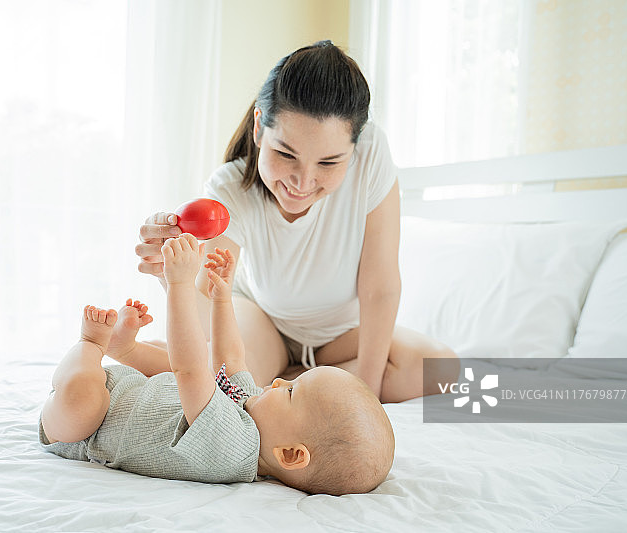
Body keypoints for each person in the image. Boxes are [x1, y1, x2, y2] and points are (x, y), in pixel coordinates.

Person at [135, 40, 458, 402]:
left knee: (443, 371)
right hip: (261, 321)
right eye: (286, 154)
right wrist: (171, 279)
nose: (302, 183)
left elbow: (380, 286)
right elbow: (207, 303)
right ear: (259, 128)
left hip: (338, 336)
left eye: (328, 163)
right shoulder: (228, 188)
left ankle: (290, 381)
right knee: (225, 379)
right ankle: (281, 380)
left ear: (354, 148)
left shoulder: (371, 153)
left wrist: (365, 393)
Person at [39, 234, 395, 495]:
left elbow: (190, 369)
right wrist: (222, 295)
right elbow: (228, 359)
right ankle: (125, 349)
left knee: (85, 400)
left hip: (84, 428)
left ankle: (90, 345)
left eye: (289, 393)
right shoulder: (251, 407)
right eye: (290, 382)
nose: (277, 383)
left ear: (289, 454)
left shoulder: (234, 448)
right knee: (203, 373)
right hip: (128, 389)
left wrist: (180, 285)